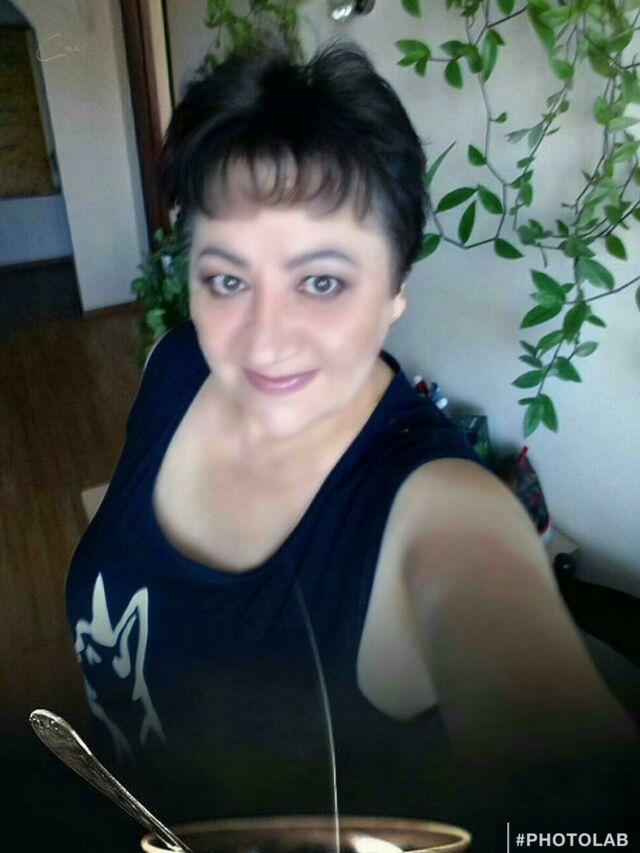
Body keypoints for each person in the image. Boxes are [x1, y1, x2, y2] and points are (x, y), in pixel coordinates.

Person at [65, 43, 637, 848]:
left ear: (396, 289)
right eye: (227, 279)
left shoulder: (435, 514)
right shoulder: (175, 364)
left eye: (322, 281)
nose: (264, 340)